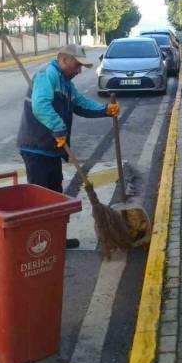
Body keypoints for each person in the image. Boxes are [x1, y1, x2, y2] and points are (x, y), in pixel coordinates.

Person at [17, 44, 120, 249]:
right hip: (36, 146)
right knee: (41, 197)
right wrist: (59, 128)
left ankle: (56, 239)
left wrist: (104, 110)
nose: (79, 71)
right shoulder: (48, 75)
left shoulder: (65, 81)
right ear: (64, 59)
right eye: (76, 65)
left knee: (55, 194)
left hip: (52, 148)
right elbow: (41, 106)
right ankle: (38, 244)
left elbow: (79, 103)